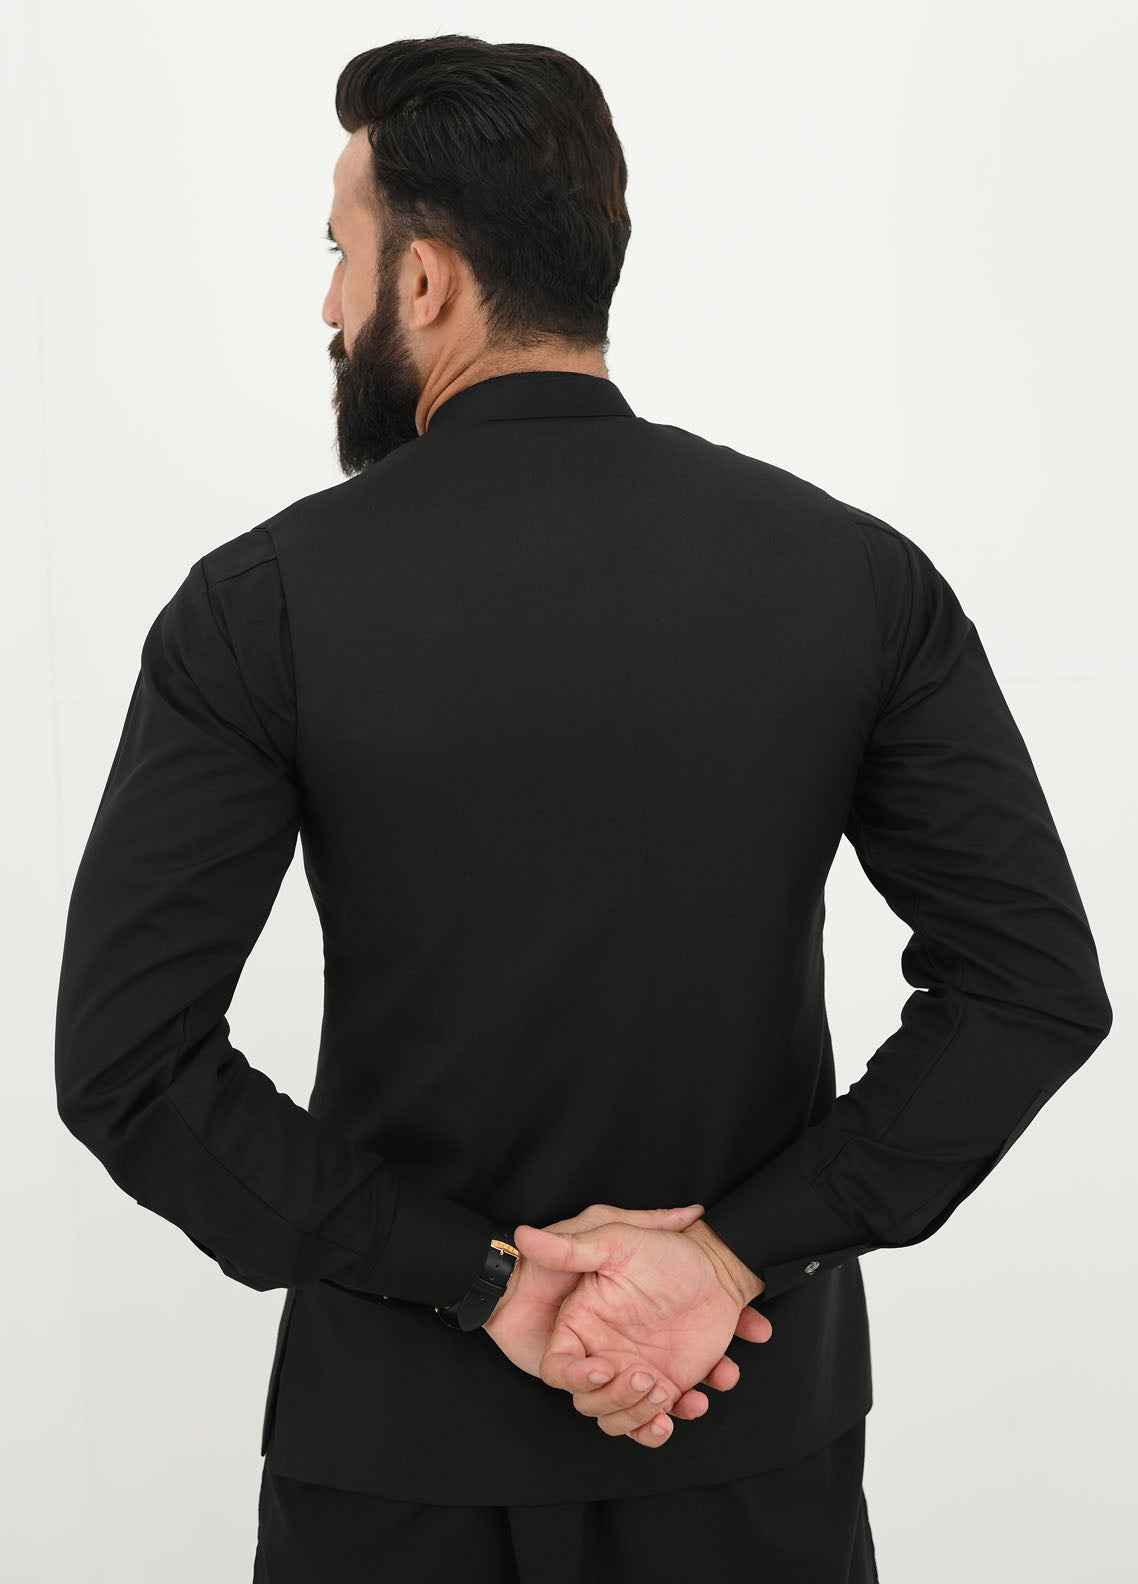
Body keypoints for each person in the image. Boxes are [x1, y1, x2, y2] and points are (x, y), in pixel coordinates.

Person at [54, 33, 1113, 1584]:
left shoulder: (262, 603)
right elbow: (1026, 990)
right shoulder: (852, 578)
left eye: (341, 255)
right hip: (747, 1437)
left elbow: (131, 1064)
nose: (331, 307)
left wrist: (482, 1278)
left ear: (426, 283)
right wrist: (728, 1256)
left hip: (393, 1467)